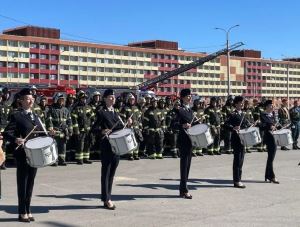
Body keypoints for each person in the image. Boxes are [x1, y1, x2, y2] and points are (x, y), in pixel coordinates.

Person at [3, 88, 48, 222]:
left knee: (30, 183)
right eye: (28, 99)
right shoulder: (17, 116)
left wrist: (49, 133)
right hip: (23, 154)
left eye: (32, 99)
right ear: (21, 101)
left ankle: (28, 209)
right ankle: (22, 212)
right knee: (22, 183)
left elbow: (41, 134)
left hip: (35, 154)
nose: (31, 101)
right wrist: (16, 139)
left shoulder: (36, 116)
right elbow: (7, 133)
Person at [93, 89, 132, 209]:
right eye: (110, 97)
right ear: (105, 99)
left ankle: (108, 196)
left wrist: (128, 123)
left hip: (117, 146)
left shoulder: (116, 112)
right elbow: (94, 128)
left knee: (112, 173)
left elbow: (120, 128)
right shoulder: (101, 112)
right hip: (107, 145)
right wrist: (102, 131)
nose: (113, 99)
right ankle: (106, 199)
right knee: (106, 173)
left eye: (114, 97)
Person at [172, 88, 194, 199]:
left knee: (188, 166)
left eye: (190, 96)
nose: (190, 97)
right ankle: (184, 190)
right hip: (183, 140)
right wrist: (182, 126)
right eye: (188, 96)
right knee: (184, 166)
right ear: (183, 97)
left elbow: (192, 123)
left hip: (190, 140)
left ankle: (182, 189)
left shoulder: (190, 110)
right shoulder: (178, 110)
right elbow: (173, 124)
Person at [225, 96, 251, 188]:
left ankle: (239, 178)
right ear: (236, 104)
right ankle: (236, 180)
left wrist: (249, 125)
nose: (242, 104)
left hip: (243, 139)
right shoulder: (232, 114)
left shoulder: (243, 114)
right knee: (237, 160)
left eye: (243, 102)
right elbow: (225, 125)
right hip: (236, 139)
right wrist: (233, 128)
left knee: (241, 160)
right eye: (240, 102)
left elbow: (247, 124)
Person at [260, 100, 280, 184]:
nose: (272, 107)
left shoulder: (273, 115)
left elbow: (276, 124)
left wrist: (277, 126)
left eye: (272, 105)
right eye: (271, 106)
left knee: (270, 158)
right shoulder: (263, 115)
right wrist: (270, 126)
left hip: (274, 137)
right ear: (267, 107)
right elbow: (262, 126)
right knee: (271, 157)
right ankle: (271, 176)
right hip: (269, 138)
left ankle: (267, 175)